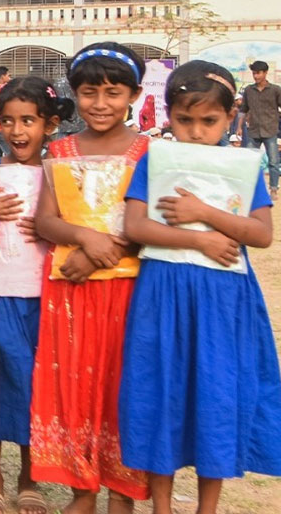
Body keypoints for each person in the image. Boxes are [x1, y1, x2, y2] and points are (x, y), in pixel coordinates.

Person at [118, 61, 281, 514]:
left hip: (224, 299)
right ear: (168, 115)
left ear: (231, 118)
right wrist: (199, 237)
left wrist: (206, 212)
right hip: (164, 294)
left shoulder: (243, 167)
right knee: (162, 390)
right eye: (185, 120)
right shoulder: (156, 160)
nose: (196, 130)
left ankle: (207, 507)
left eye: (209, 121)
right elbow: (135, 226)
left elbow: (262, 235)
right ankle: (163, 506)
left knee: (217, 393)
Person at [31, 43, 151, 513]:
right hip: (71, 293)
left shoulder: (150, 152)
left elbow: (158, 222)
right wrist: (84, 238)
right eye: (88, 93)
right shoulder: (61, 150)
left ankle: (123, 491)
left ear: (134, 95)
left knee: (123, 385)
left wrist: (101, 252)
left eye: (112, 93)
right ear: (74, 95)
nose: (100, 104)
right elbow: (45, 220)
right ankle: (83, 488)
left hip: (130, 292)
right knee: (75, 386)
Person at [0, 77, 71, 514]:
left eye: (28, 121)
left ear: (49, 124)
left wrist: (53, 223)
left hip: (45, 296)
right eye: (8, 121)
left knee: (38, 389)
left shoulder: (63, 174)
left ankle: (30, 475)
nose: (17, 131)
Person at [238, 60, 281, 197]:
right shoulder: (249, 90)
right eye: (254, 73)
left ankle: (273, 189)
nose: (255, 76)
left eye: (258, 73)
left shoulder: (275, 90)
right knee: (251, 162)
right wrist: (239, 127)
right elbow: (243, 110)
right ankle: (252, 189)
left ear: (265, 73)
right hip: (253, 131)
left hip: (270, 130)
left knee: (274, 162)